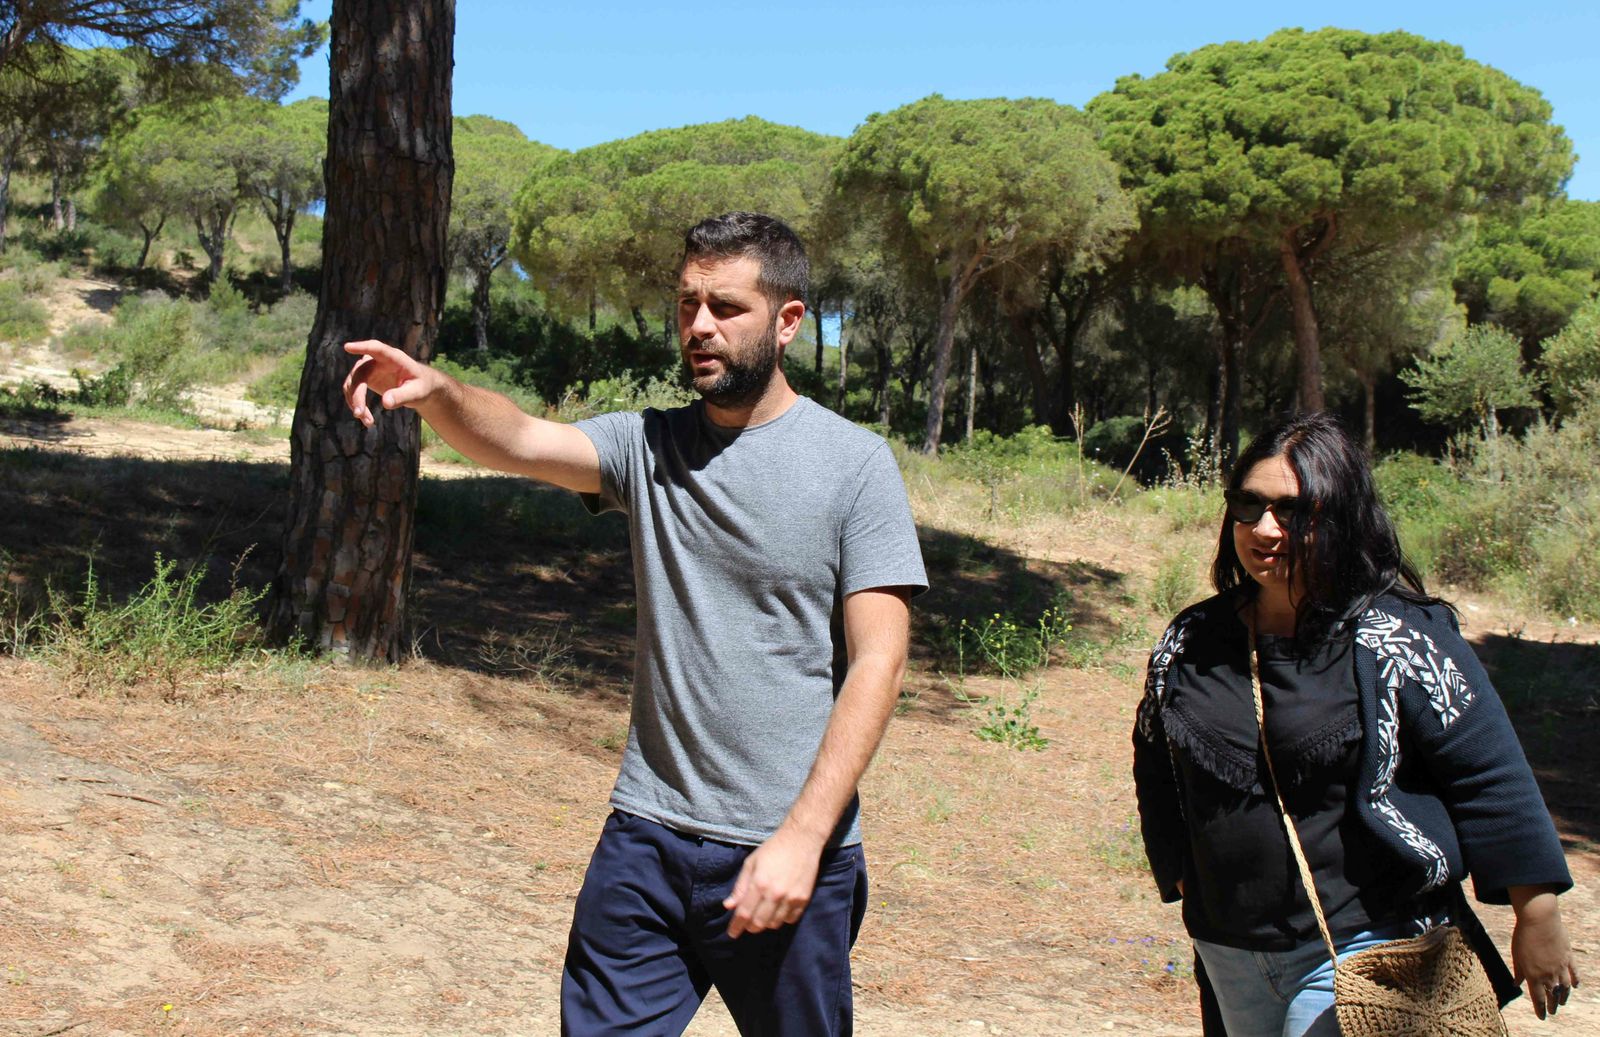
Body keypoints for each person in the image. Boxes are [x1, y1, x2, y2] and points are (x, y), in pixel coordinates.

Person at [342, 211, 927, 1035]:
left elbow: (879, 663)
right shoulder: (647, 447)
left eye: (726, 307)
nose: (698, 327)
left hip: (785, 851)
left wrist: (802, 837)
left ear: (789, 321)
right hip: (645, 837)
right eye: (687, 304)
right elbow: (516, 438)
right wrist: (438, 391)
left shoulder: (855, 465)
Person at [1132, 412, 1580, 1037]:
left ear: (1340, 517)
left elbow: (1490, 776)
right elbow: (1156, 758)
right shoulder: (1192, 638)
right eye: (1248, 506)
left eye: (1292, 512)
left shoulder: (1399, 640)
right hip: (1230, 947)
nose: (1265, 530)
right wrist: (1180, 865)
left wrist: (1539, 916)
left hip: (1366, 941)